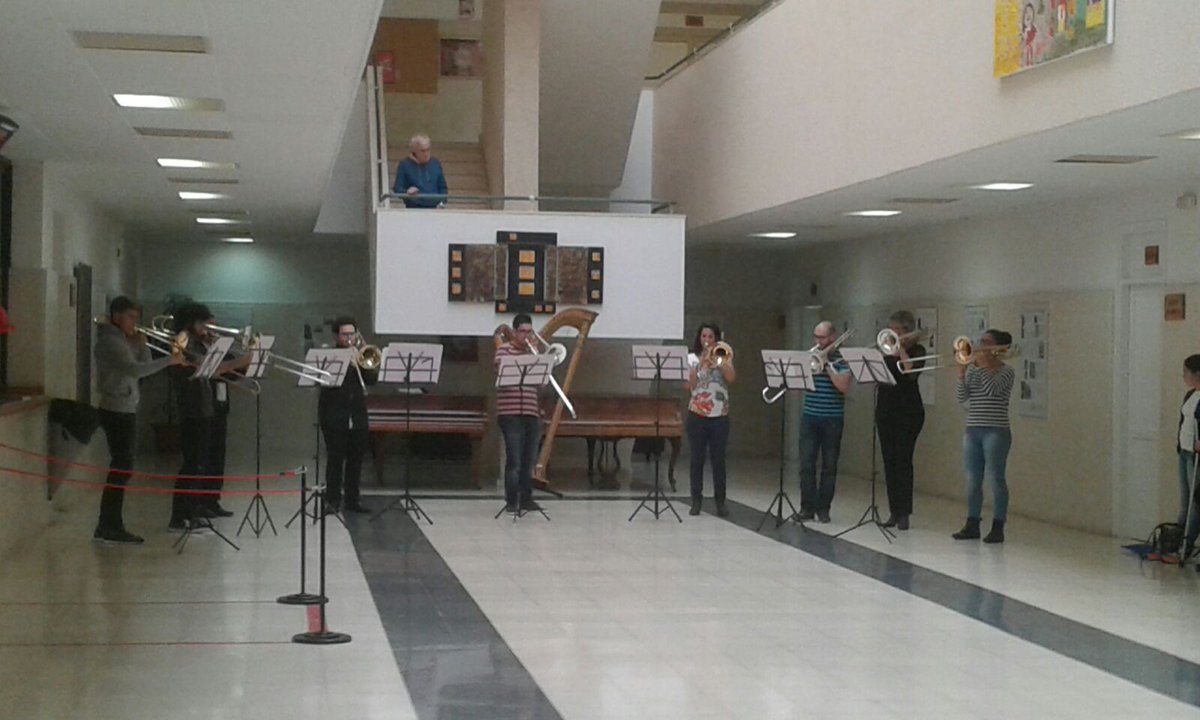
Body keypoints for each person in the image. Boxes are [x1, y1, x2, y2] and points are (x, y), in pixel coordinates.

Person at [93, 296, 183, 543]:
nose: (135, 322)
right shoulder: (109, 341)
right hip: (115, 408)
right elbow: (134, 370)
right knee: (121, 467)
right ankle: (108, 524)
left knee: (124, 468)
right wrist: (171, 360)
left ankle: (110, 523)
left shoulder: (123, 339)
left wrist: (142, 345)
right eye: (131, 317)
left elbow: (143, 366)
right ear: (117, 316)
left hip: (126, 406)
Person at [168, 303, 251, 531]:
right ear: (191, 322)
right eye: (203, 323)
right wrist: (239, 361)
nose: (207, 327)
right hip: (192, 408)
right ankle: (181, 515)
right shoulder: (183, 340)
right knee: (192, 464)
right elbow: (204, 368)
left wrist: (225, 354)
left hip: (204, 408)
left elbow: (222, 371)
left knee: (200, 463)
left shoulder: (200, 341)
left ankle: (195, 509)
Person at [952, 329, 1016, 544]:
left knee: (996, 478)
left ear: (998, 348)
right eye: (981, 341)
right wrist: (961, 375)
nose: (980, 345)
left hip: (996, 430)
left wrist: (982, 365)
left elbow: (991, 390)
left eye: (987, 342)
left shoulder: (1007, 372)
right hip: (973, 429)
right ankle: (972, 523)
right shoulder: (974, 369)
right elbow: (962, 398)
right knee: (972, 479)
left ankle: (998, 526)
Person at [317, 317, 376, 515]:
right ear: (336, 336)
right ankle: (332, 501)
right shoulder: (329, 356)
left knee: (356, 461)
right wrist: (345, 364)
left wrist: (360, 363)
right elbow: (325, 384)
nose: (349, 338)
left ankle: (353, 501)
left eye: (352, 334)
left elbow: (371, 380)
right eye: (345, 334)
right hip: (335, 417)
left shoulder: (360, 355)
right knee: (335, 461)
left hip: (357, 416)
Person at [875, 311, 926, 531]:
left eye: (897, 330)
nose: (892, 334)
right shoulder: (884, 352)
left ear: (907, 331)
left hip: (909, 411)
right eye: (891, 329)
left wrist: (901, 349)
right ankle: (893, 511)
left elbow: (910, 372)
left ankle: (905, 513)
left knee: (903, 461)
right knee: (889, 461)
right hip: (886, 409)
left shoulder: (918, 350)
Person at [797, 321, 851, 523]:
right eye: (816, 337)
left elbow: (844, 387)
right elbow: (799, 383)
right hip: (810, 416)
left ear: (832, 338)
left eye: (822, 338)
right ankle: (807, 507)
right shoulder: (810, 355)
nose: (818, 342)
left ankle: (823, 509)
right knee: (806, 464)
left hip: (832, 418)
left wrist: (826, 364)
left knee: (829, 466)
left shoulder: (842, 358)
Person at [686, 322, 736, 517]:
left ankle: (720, 502)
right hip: (697, 413)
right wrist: (700, 366)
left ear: (716, 339)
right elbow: (688, 385)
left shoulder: (724, 355)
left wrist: (719, 363)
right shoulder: (692, 358)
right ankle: (696, 500)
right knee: (696, 460)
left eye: (710, 337)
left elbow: (732, 378)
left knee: (718, 460)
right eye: (704, 336)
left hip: (720, 415)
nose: (706, 340)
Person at [494, 314, 542, 513]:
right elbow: (501, 376)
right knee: (514, 459)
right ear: (514, 332)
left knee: (529, 459)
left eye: (529, 331)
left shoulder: (534, 353)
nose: (526, 335)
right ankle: (512, 501)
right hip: (509, 412)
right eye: (522, 331)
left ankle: (527, 498)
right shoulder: (503, 351)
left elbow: (542, 382)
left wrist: (537, 358)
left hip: (531, 410)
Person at [1176, 355, 1200, 556]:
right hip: (1184, 453)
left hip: (1196, 457)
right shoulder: (1190, 395)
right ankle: (1177, 542)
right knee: (1185, 500)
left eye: (1186, 372)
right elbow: (1184, 422)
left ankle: (1188, 543)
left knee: (1195, 502)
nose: (1184, 376)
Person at [393, 133, 448, 209]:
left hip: (435, 209)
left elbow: (443, 187)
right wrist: (407, 192)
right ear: (414, 151)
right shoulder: (404, 165)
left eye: (428, 150)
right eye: (422, 151)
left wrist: (442, 202)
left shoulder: (435, 164)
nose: (426, 154)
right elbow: (397, 188)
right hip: (413, 209)